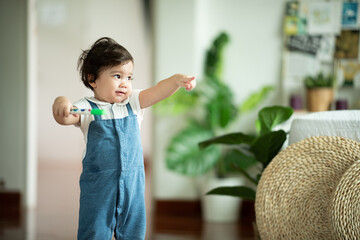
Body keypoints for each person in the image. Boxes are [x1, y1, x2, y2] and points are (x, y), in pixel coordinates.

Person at [52, 37, 196, 240]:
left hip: (133, 187)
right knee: (94, 231)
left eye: (129, 78)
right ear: (92, 79)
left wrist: (175, 81)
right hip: (99, 188)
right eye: (117, 76)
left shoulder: (134, 103)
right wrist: (62, 102)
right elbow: (66, 116)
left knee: (133, 232)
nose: (124, 84)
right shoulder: (89, 107)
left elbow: (157, 91)